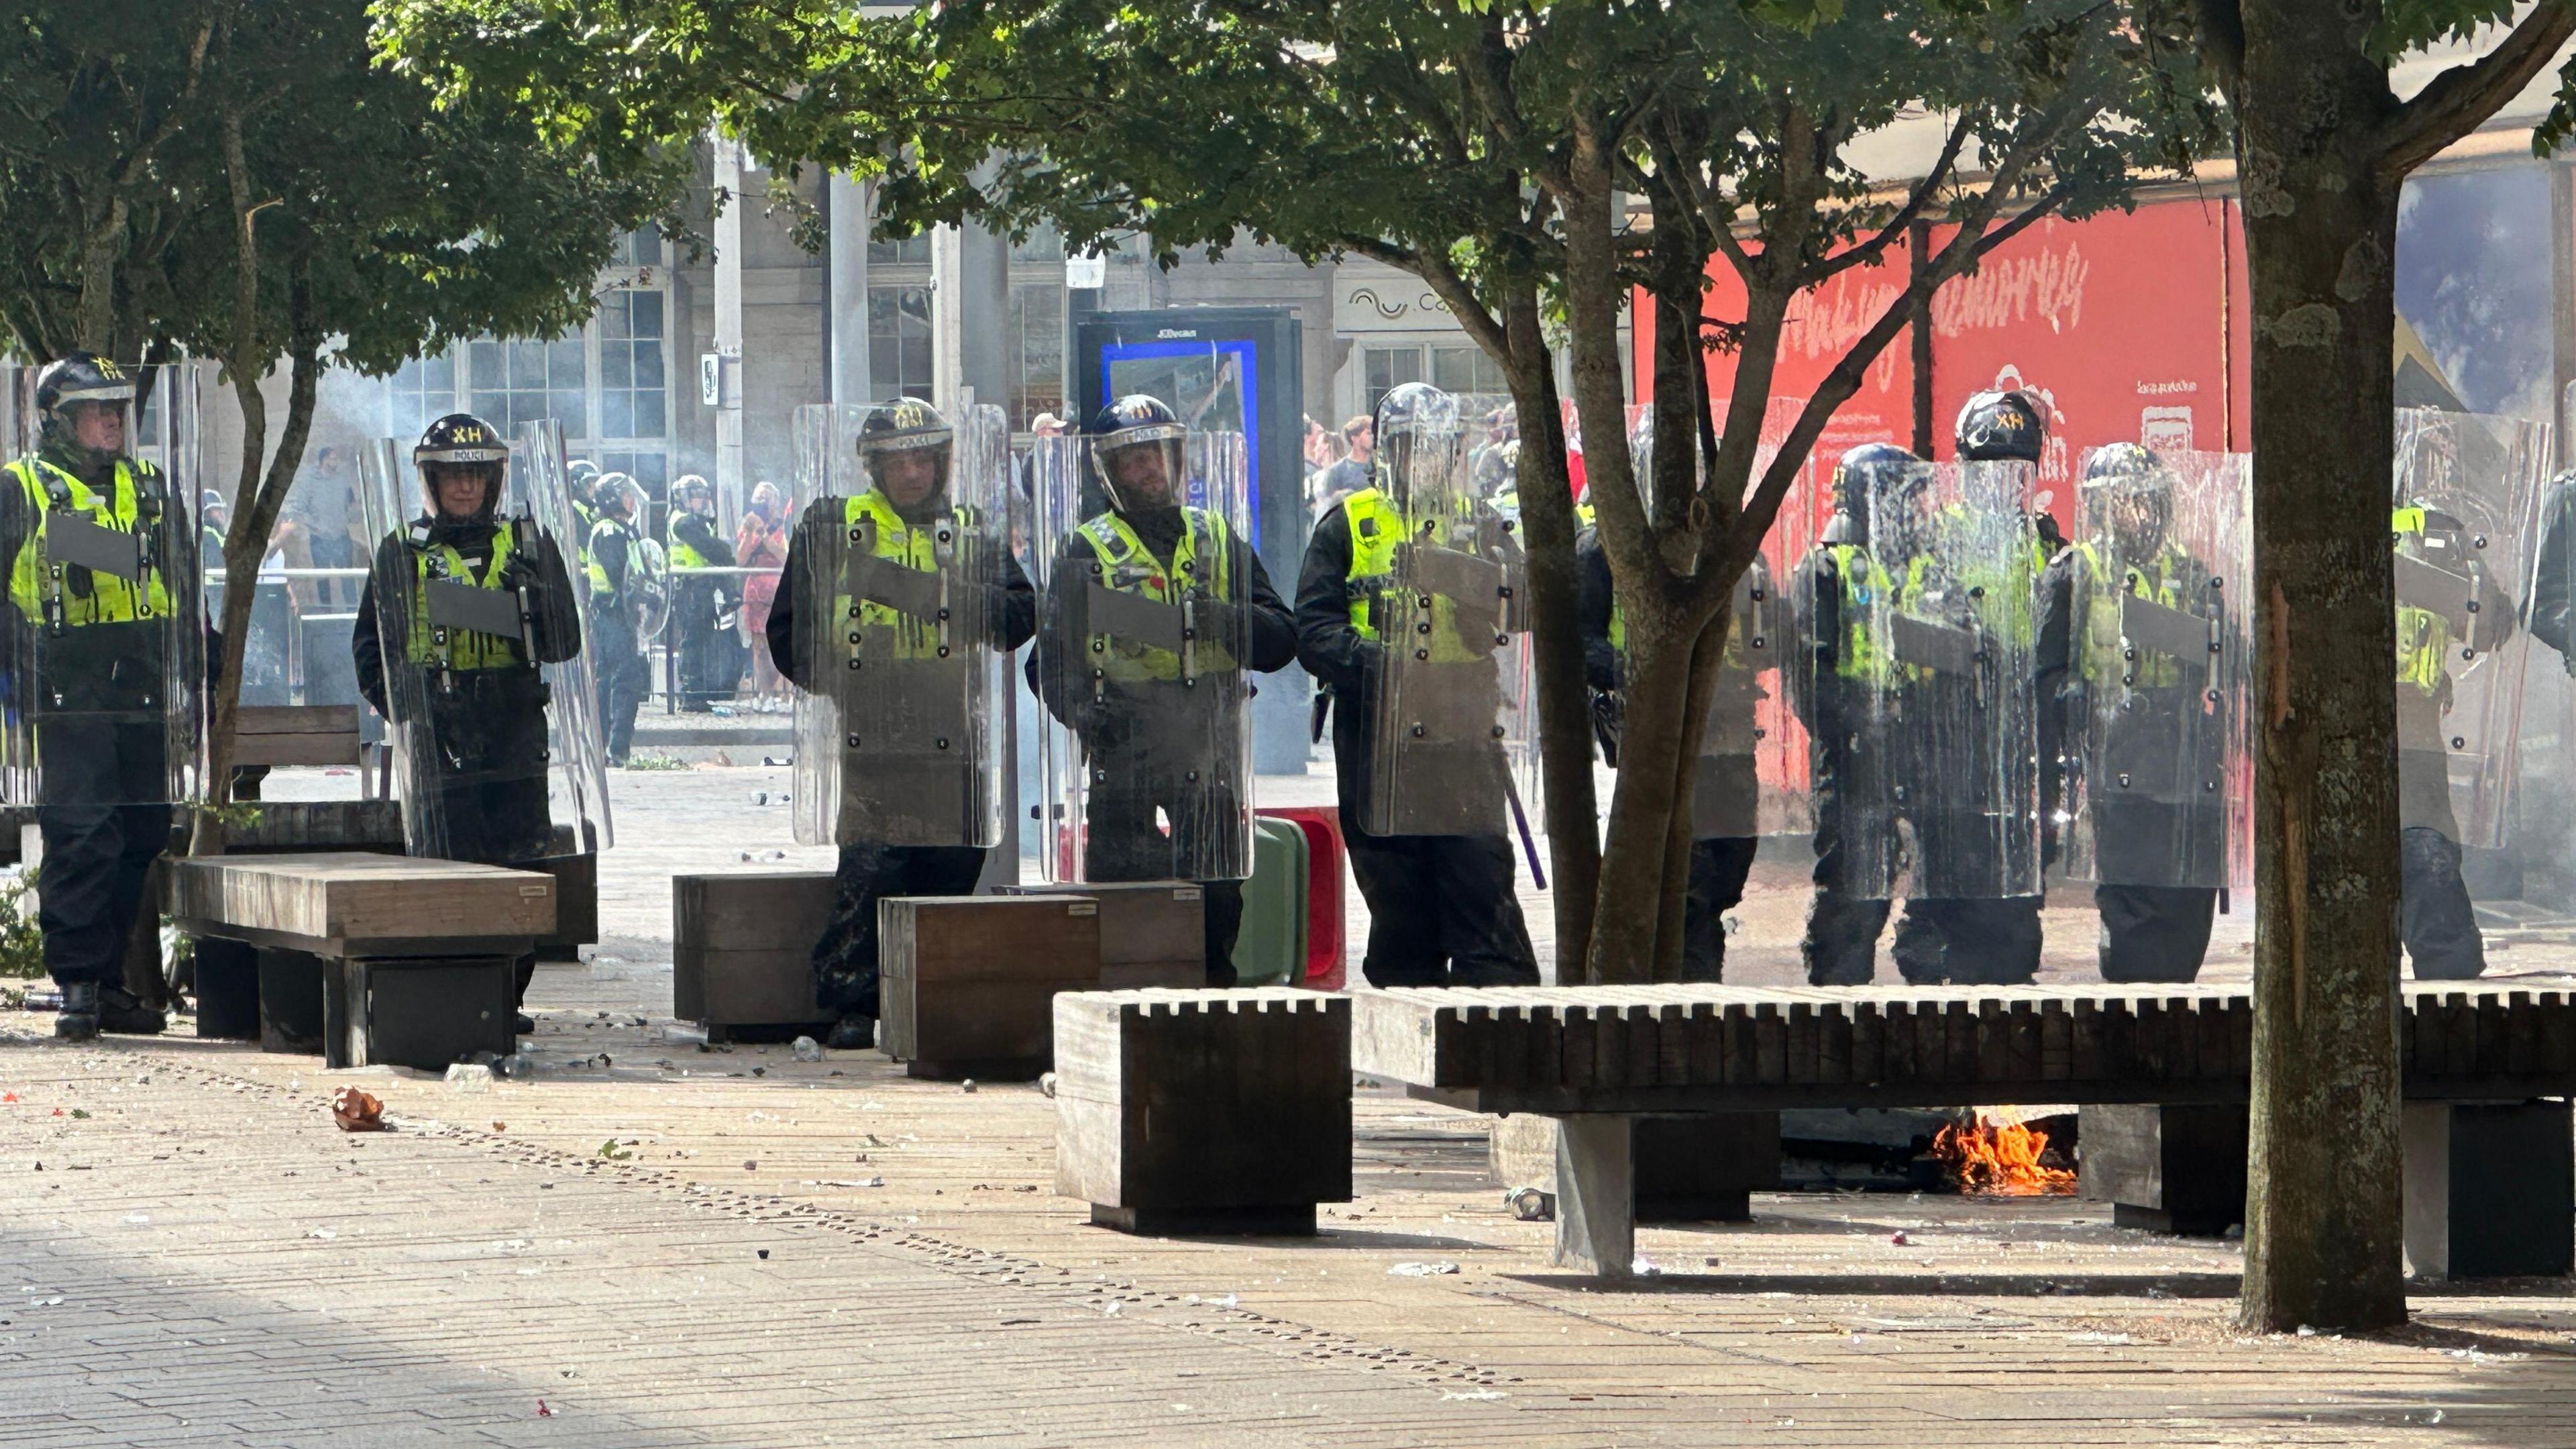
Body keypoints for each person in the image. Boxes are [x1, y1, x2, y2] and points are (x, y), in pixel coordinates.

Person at [768, 398, 1034, 1049]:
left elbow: (1019, 615)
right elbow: (789, 630)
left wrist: (935, 598)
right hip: (870, 721)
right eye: (898, 463)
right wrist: (843, 685)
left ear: (942, 463)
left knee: (952, 862)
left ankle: (933, 1000)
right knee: (871, 868)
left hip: (952, 717)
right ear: (873, 469)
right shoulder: (833, 526)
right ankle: (853, 1004)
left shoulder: (970, 529)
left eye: (923, 460)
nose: (912, 474)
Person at [1030, 395, 1297, 975]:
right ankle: (1128, 997)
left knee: (1217, 892)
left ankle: (1213, 991)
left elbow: (1282, 641)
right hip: (1125, 754)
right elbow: (1047, 663)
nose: (1149, 469)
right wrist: (1089, 717)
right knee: (1124, 891)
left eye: (1157, 454)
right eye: (1133, 460)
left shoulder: (1218, 537)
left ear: (1177, 460)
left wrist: (1225, 619)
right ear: (1110, 474)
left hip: (1208, 746)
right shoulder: (1087, 548)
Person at [1295, 380, 1540, 987]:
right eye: (1409, 447)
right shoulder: (1346, 525)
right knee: (1398, 893)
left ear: (1452, 452)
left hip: (1464, 728)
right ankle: (1411, 1012)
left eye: (1434, 448)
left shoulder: (1481, 522)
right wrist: (1376, 663)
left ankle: (1496, 1024)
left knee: (1479, 877)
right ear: (1386, 453)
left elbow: (1525, 607)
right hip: (1379, 733)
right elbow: (1312, 628)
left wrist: (1466, 580)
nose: (1422, 460)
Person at [352, 412, 583, 1030]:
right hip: (441, 739)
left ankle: (507, 994)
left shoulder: (529, 544)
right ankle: (456, 991)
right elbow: (370, 654)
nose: (464, 487)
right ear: (430, 481)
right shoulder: (402, 550)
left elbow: (566, 645)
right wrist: (415, 715)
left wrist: (540, 599)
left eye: (475, 475)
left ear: (494, 480)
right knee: (450, 872)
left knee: (519, 870)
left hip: (513, 732)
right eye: (452, 475)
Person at [1789, 437, 2043, 985]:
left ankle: (1926, 1020)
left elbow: (1973, 644)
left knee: (1939, 896)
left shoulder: (1931, 567)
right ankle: (1838, 1020)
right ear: (1867, 500)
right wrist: (1860, 723)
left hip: (1930, 755)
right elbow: (1810, 679)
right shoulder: (1828, 569)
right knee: (1854, 901)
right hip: (1860, 763)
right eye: (1909, 499)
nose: (1922, 511)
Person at [1, 353, 200, 1040]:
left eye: (117, 411)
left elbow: (182, 582)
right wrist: (17, 675)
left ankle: (109, 980)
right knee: (83, 834)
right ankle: (80, 985)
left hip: (141, 684)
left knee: (142, 831)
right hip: (66, 685)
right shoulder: (21, 487)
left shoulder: (149, 486)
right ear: (60, 422)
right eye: (95, 412)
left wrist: (193, 666)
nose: (110, 424)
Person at [1576, 415, 1783, 980]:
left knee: (1729, 862)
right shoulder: (1609, 550)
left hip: (1731, 730)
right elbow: (1579, 637)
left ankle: (1696, 960)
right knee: (1685, 872)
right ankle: (1688, 985)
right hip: (1653, 730)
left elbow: (1773, 632)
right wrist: (1633, 674)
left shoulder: (1738, 553)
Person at [2036, 444, 2235, 981]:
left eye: (2147, 503)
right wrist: (2074, 715)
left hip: (2183, 756)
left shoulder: (2193, 575)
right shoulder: (2075, 572)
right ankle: (2134, 1018)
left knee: (2186, 902)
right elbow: (2045, 673)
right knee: (2132, 899)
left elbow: (2228, 661)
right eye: (2125, 503)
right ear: (2101, 509)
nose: (2138, 515)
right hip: (2114, 753)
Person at [2392, 497, 2518, 978]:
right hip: (2392, 733)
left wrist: (2439, 587)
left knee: (2424, 849)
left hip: (2413, 732)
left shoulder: (2434, 529)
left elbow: (2492, 622)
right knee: (2421, 851)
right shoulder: (2430, 527)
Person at [584, 472, 659, 763]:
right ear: (613, 498)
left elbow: (642, 570)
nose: (632, 499)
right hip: (609, 612)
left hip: (625, 615)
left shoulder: (627, 531)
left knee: (624, 679)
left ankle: (616, 746)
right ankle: (612, 747)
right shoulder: (608, 531)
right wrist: (644, 592)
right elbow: (619, 574)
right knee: (618, 679)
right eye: (626, 493)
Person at [665, 474, 744, 710]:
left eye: (702, 496)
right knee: (692, 642)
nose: (700, 501)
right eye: (694, 496)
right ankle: (691, 694)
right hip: (689, 588)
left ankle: (701, 691)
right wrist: (725, 551)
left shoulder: (699, 522)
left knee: (703, 640)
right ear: (682, 498)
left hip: (702, 587)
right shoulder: (682, 522)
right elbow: (715, 550)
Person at [736, 480, 790, 708]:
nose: (762, 504)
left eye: (766, 500)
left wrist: (766, 536)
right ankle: (764, 693)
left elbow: (785, 557)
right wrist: (750, 534)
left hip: (778, 587)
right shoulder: (748, 524)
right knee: (759, 644)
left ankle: (786, 695)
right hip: (756, 590)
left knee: (782, 641)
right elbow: (740, 560)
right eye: (759, 499)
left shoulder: (782, 525)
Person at [1313, 414, 1373, 517]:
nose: (1373, 437)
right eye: (1368, 433)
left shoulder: (1379, 468)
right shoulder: (1337, 471)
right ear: (1354, 437)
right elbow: (1327, 507)